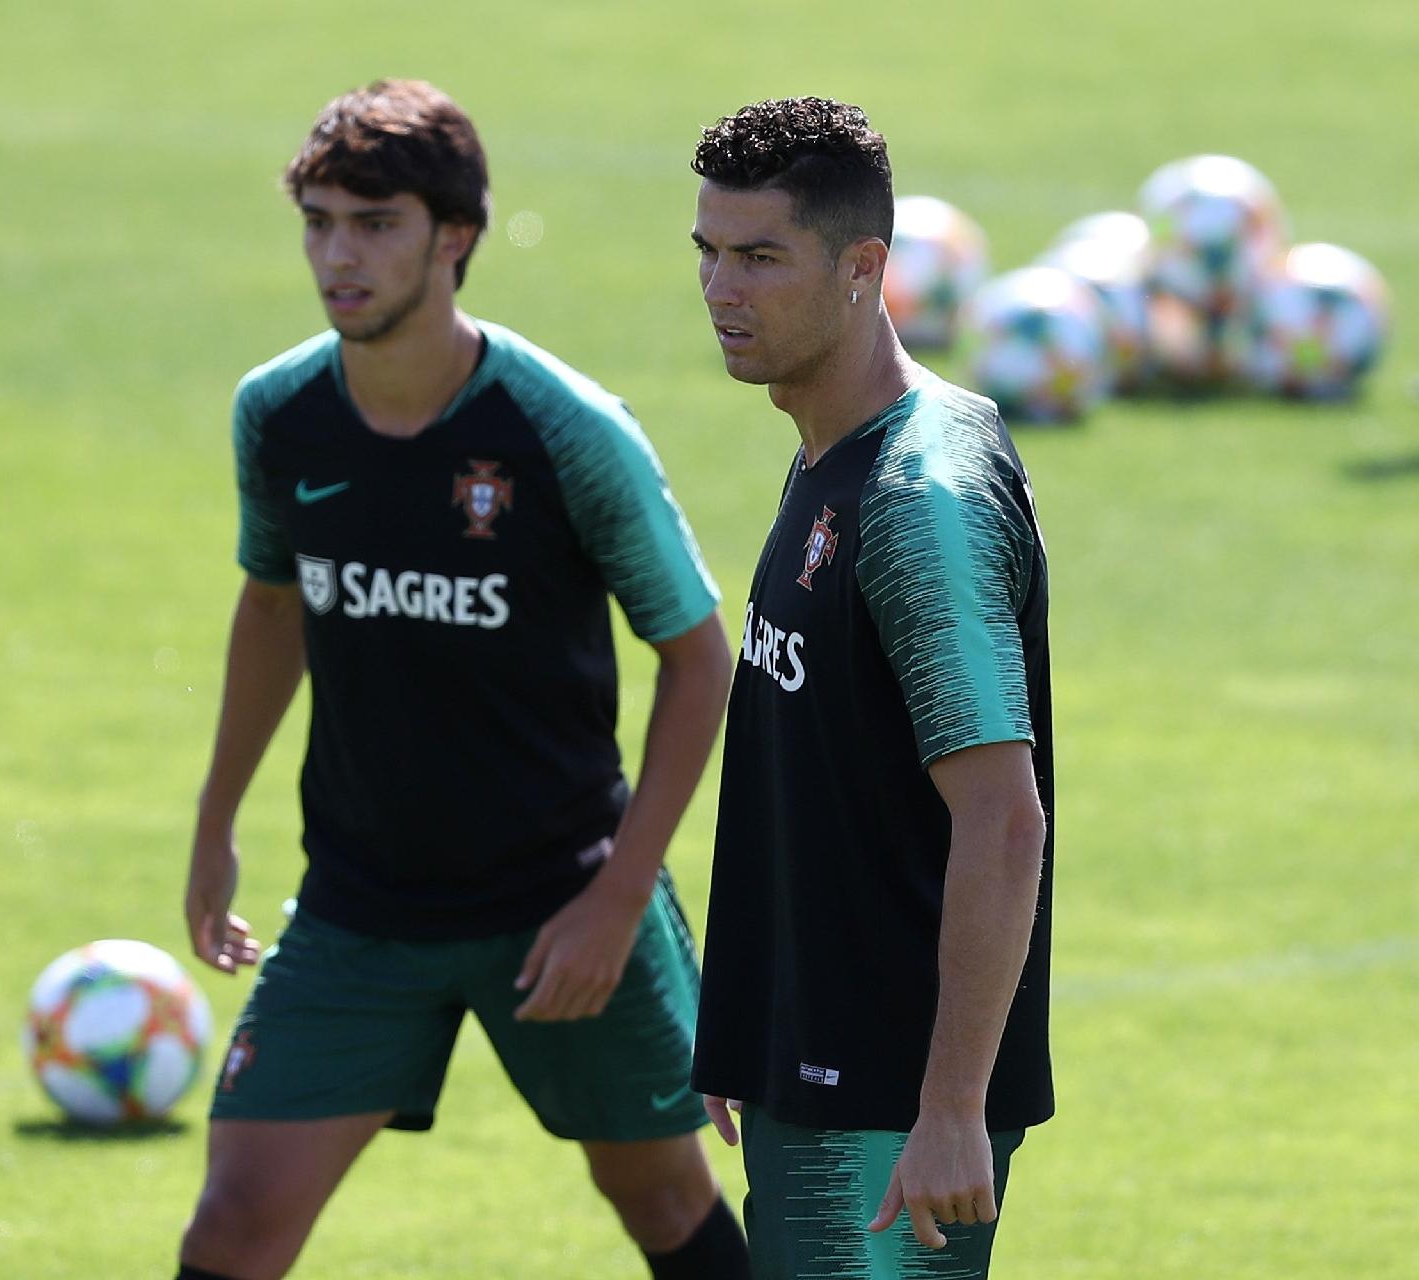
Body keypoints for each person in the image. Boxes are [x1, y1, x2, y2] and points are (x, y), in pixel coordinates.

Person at [175, 79, 750, 1280]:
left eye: (374, 224)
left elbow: (700, 658)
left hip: (560, 899)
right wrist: (215, 820)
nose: (339, 255)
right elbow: (273, 601)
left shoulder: (564, 430)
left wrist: (616, 897)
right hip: (360, 905)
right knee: (234, 1222)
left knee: (656, 1194)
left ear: (455, 237)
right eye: (320, 221)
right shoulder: (279, 414)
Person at [684, 97, 1056, 1279]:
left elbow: (1002, 815)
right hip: (819, 1060)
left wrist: (952, 1105)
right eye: (707, 251)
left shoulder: (915, 502)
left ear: (863, 268)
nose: (720, 289)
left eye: (758, 258)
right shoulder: (832, 458)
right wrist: (753, 1017)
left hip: (889, 1105)